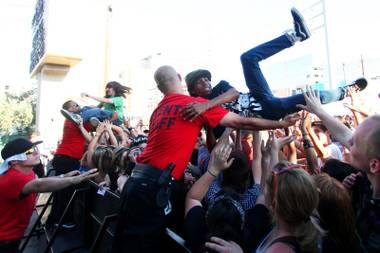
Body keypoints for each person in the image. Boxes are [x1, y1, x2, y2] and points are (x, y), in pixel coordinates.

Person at [111, 65, 300, 253]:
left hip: (135, 184)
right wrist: (280, 123)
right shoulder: (193, 106)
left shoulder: (158, 110)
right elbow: (243, 121)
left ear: (160, 89)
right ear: (179, 76)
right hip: (154, 190)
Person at [183, 8, 367, 122]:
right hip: (265, 111)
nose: (207, 82)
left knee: (247, 58)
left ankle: (295, 36)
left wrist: (207, 105)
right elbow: (227, 128)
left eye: (207, 78)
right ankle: (346, 92)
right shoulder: (199, 110)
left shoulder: (220, 88)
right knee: (311, 96)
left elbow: (234, 94)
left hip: (258, 95)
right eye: (200, 81)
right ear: (192, 89)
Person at [298, 86, 380, 253]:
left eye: (355, 144)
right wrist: (319, 111)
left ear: (374, 165)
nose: (349, 144)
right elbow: (344, 134)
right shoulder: (368, 176)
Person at [0, 138, 98, 253]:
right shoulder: (14, 178)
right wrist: (74, 180)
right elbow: (39, 185)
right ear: (14, 161)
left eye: (35, 148)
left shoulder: (27, 172)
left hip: (12, 237)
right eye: (29, 152)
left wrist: (64, 176)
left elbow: (42, 181)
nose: (36, 152)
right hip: (4, 240)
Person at [47, 107, 93, 228]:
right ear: (69, 110)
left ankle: (54, 219)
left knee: (60, 189)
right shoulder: (74, 120)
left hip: (63, 158)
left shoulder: (72, 122)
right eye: (75, 105)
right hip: (68, 159)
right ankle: (64, 220)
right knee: (67, 190)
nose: (79, 107)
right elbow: (92, 136)